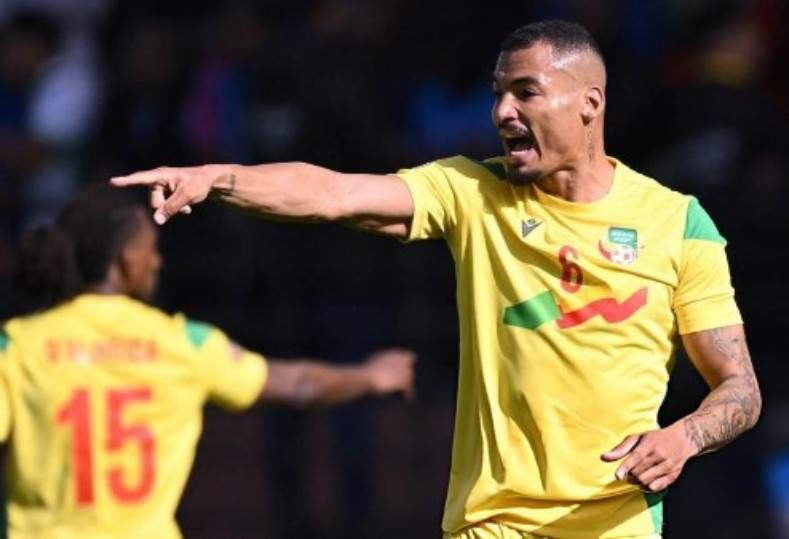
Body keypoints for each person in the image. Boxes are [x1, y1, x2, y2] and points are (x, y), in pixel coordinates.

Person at [111, 20, 761, 538]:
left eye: (525, 92)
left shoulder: (677, 222)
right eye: (497, 94)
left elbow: (739, 388)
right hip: (493, 524)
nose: (502, 111)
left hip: (615, 525)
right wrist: (218, 177)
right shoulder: (471, 192)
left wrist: (684, 436)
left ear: (589, 102)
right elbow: (334, 194)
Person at [0, 185, 416, 539]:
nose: (157, 261)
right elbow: (299, 385)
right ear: (127, 259)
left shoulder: (18, 346)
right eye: (152, 250)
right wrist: (371, 376)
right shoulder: (184, 344)